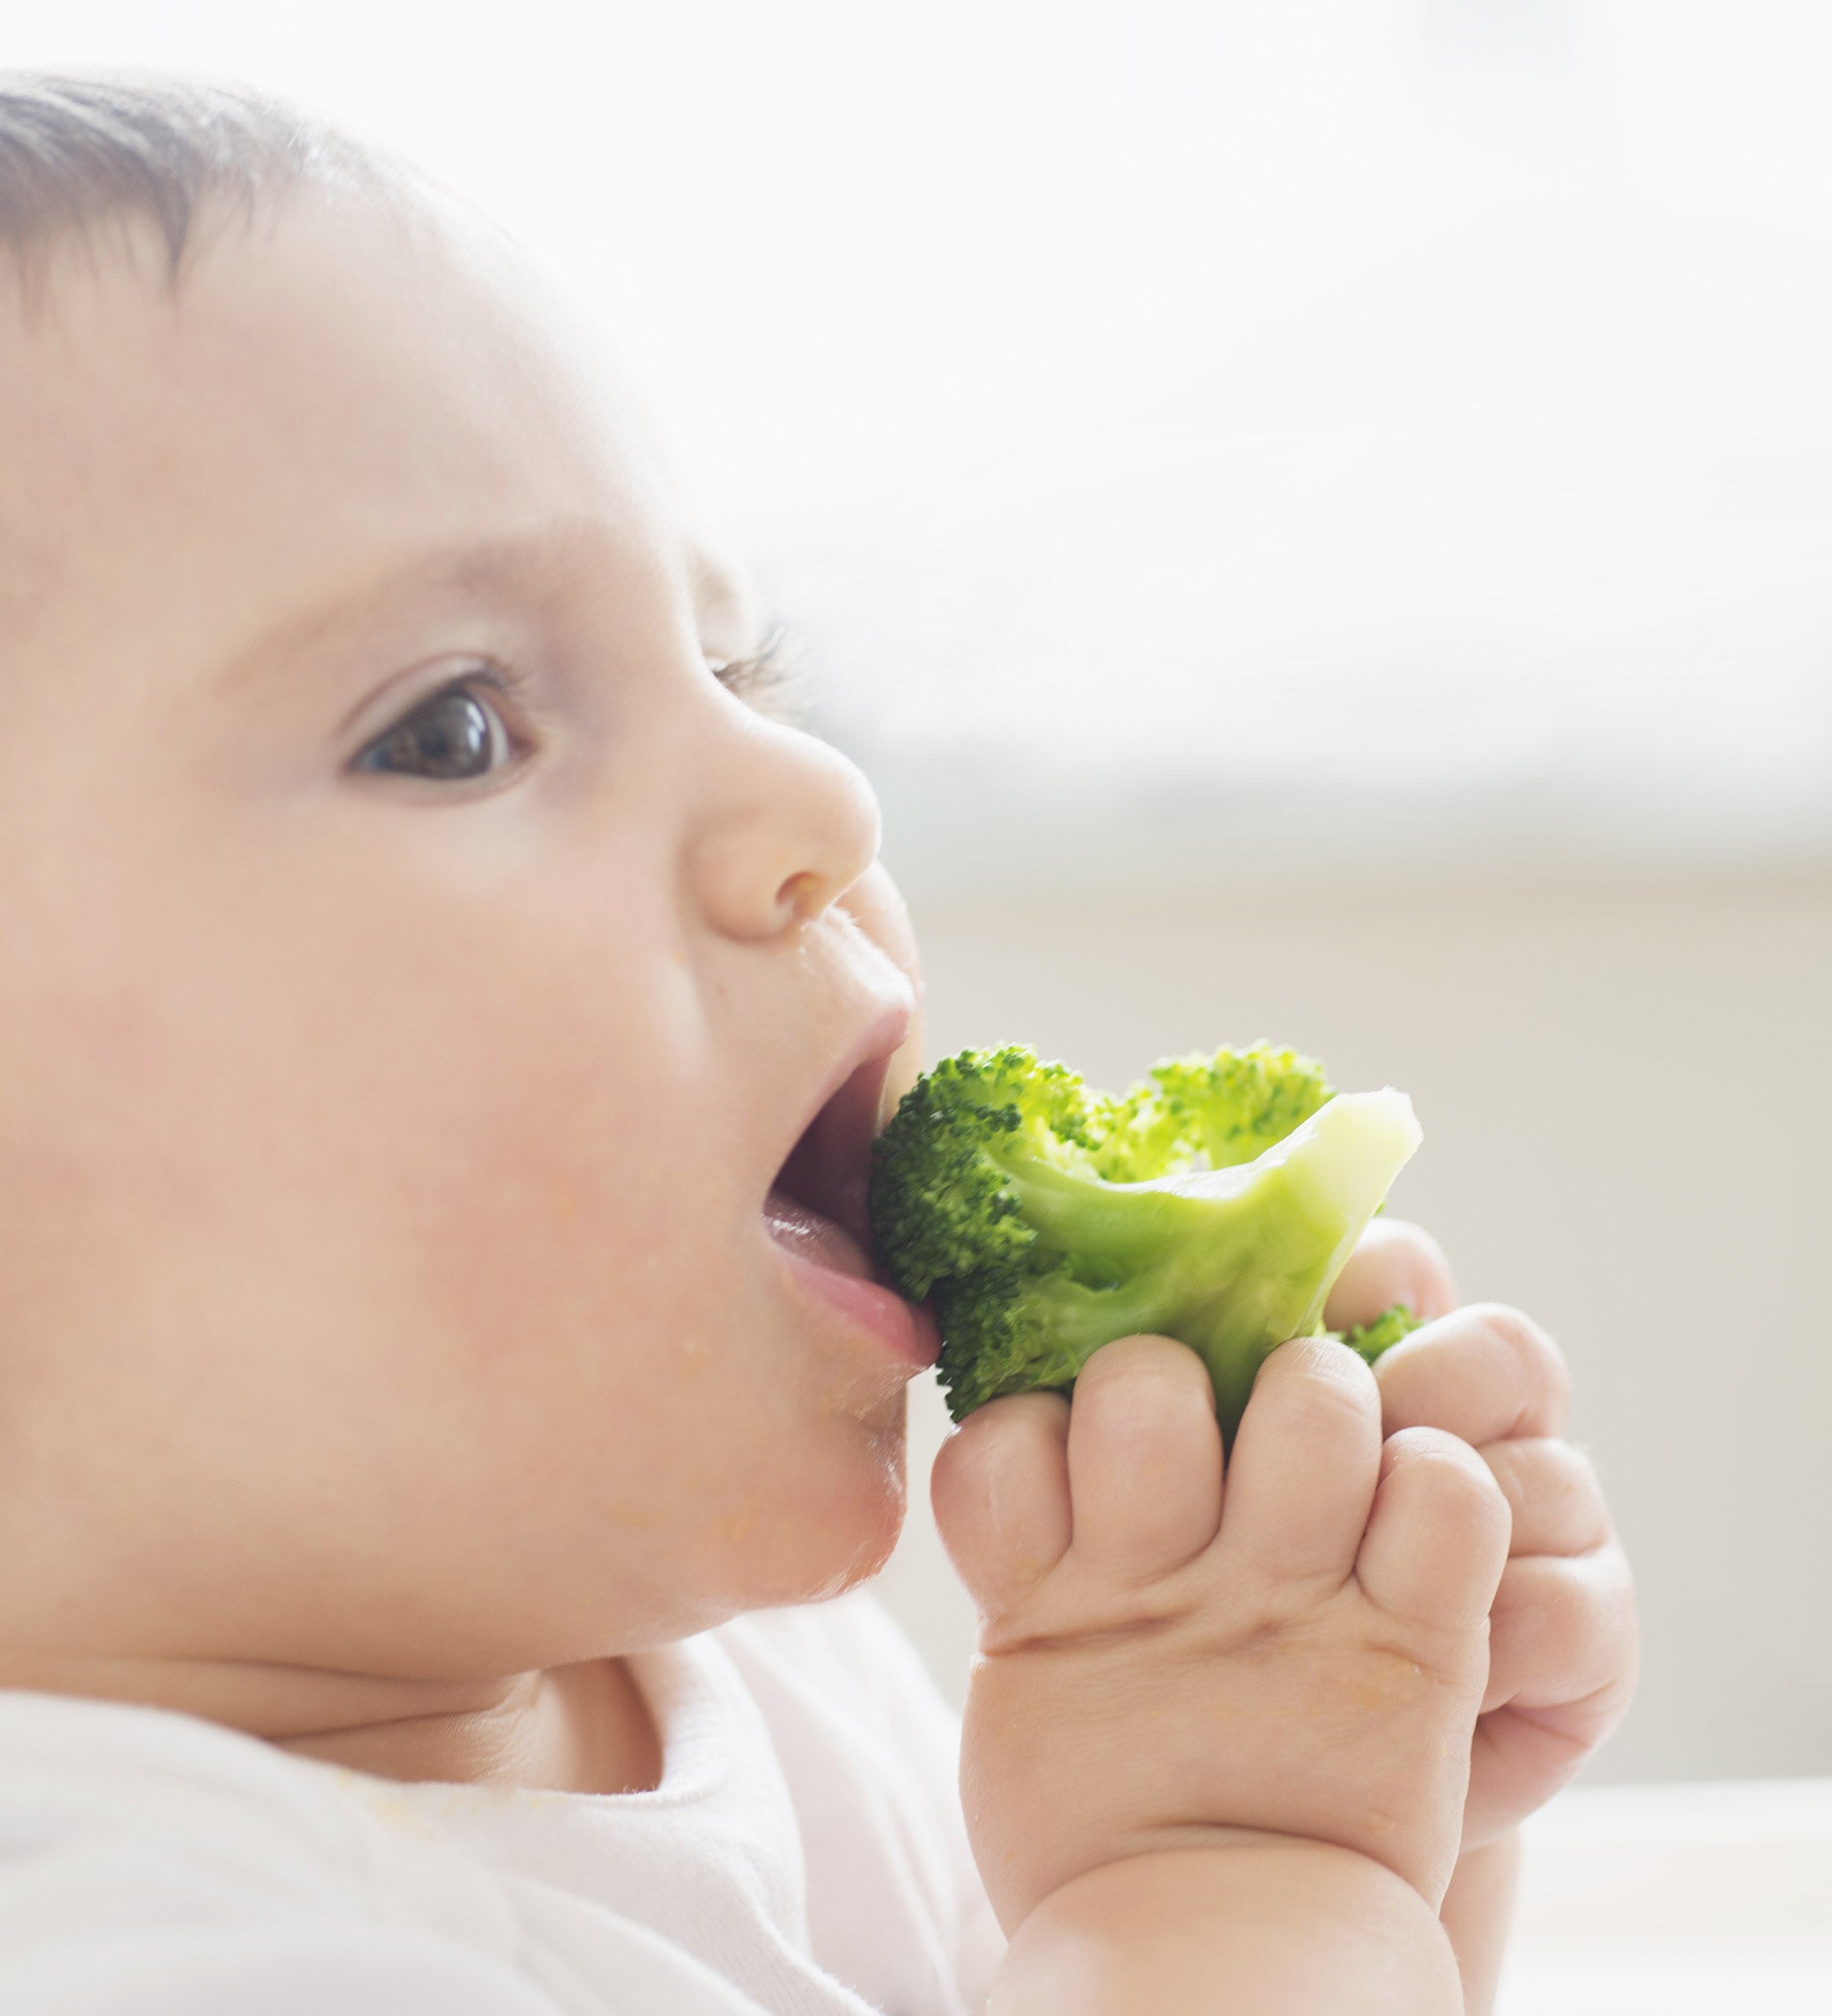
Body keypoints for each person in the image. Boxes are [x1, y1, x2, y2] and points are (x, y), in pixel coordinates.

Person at [0, 71, 1637, 2015]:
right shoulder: (109, 1932)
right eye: (452, 724)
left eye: (731, 667)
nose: (814, 798)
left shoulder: (721, 1676)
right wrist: (1229, 1874)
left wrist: (1372, 1828)